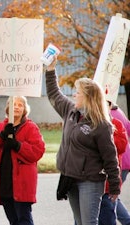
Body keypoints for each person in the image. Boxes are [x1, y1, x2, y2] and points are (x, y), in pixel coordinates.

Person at [45, 57, 121, 225]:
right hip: (70, 178)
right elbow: (54, 94)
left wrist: (115, 185)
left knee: (88, 223)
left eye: (77, 92)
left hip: (90, 181)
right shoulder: (70, 111)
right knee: (79, 222)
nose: (74, 95)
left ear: (88, 97)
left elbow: (110, 157)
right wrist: (50, 70)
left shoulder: (101, 124)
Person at [0, 96, 45, 225]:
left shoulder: (31, 127)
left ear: (25, 109)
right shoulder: (0, 127)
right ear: (8, 107)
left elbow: (37, 151)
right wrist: (2, 135)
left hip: (22, 183)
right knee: (13, 220)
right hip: (4, 181)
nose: (16, 107)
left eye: (20, 105)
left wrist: (18, 145)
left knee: (24, 219)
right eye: (14, 104)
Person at [98, 115, 128, 225]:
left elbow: (121, 146)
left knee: (108, 215)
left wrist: (104, 135)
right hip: (89, 180)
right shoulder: (85, 122)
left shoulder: (116, 124)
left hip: (108, 183)